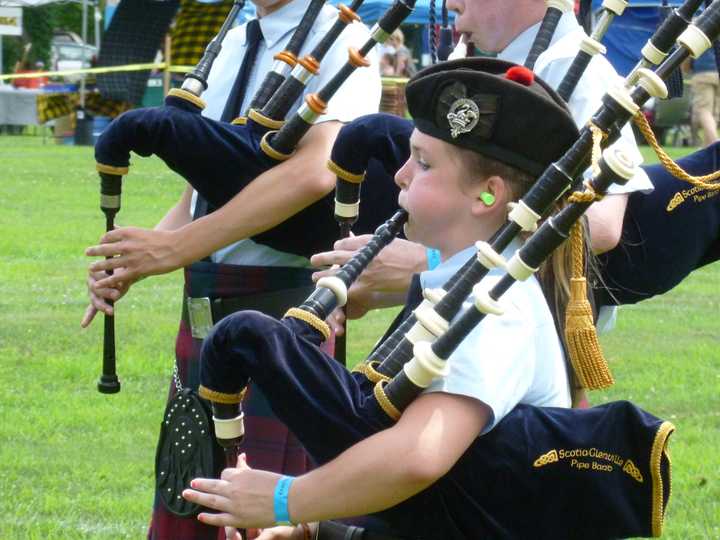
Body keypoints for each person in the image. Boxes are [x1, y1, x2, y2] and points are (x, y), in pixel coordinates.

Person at [181, 58, 583, 539]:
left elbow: (416, 457)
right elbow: (440, 495)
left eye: (425, 163)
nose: (400, 175)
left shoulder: (494, 307)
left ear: (487, 195)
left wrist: (284, 499)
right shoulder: (460, 285)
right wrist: (318, 530)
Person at [82, 0, 381, 538]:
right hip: (205, 305)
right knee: (191, 496)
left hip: (282, 314)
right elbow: (204, 190)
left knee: (268, 516)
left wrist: (175, 250)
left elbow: (315, 173)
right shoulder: (235, 44)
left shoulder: (343, 41)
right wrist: (138, 256)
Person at [310, 0, 652, 325]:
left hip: (517, 324)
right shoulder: (509, 66)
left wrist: (429, 264)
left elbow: (601, 223)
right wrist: (375, 287)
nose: (451, 5)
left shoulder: (571, 64)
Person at [689, 48, 719, 146]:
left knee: (703, 110)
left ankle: (715, 145)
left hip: (702, 72)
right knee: (714, 114)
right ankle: (708, 148)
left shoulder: (694, 32)